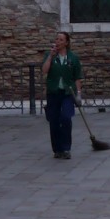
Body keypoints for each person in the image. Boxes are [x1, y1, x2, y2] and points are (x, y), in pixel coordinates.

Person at [41, 31, 82, 159]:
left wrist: (79, 94)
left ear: (66, 43)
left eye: (60, 40)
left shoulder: (73, 58)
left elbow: (77, 77)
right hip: (53, 92)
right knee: (53, 121)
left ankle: (66, 148)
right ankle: (57, 149)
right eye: (56, 39)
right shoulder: (50, 55)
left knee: (65, 118)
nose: (57, 42)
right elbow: (44, 71)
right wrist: (50, 57)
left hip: (67, 93)